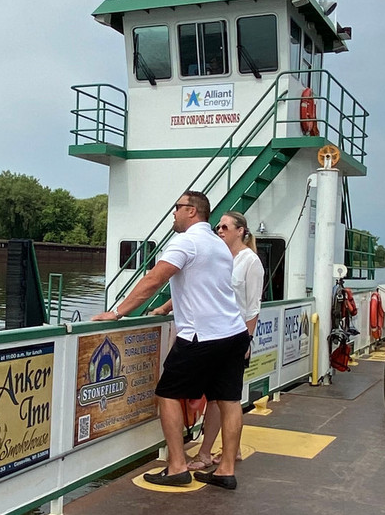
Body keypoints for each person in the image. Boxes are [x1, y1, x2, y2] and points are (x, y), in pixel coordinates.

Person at [93, 191, 250, 489]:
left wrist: (117, 312)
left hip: (201, 335)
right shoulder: (219, 245)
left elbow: (154, 279)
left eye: (177, 207)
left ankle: (177, 466)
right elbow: (203, 286)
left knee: (167, 394)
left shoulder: (186, 242)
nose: (173, 214)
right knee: (229, 401)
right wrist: (167, 308)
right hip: (233, 333)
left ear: (192, 211)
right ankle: (225, 470)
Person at [152, 210, 264, 470]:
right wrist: (165, 308)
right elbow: (198, 288)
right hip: (213, 334)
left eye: (225, 227)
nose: (220, 231)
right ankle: (224, 461)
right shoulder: (219, 254)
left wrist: (248, 340)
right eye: (218, 227)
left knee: (219, 398)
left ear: (241, 231)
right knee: (223, 398)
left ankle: (205, 455)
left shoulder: (250, 261)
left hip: (229, 334)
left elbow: (252, 307)